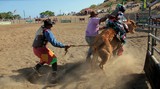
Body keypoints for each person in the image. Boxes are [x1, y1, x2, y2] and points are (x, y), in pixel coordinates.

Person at [32, 19, 70, 83]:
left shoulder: (41, 28)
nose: (52, 26)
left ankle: (36, 68)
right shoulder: (47, 31)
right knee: (54, 59)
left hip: (35, 49)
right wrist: (64, 46)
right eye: (50, 25)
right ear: (48, 25)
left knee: (45, 58)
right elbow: (54, 43)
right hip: (41, 50)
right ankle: (53, 78)